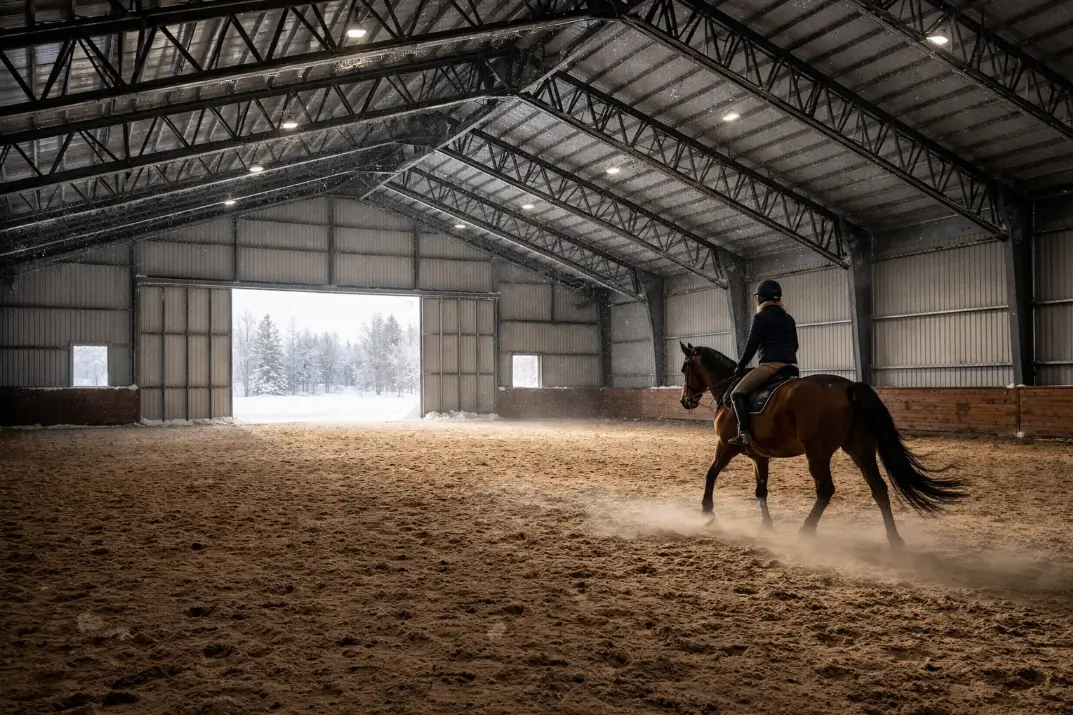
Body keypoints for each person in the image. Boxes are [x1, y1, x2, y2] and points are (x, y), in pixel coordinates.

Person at [727, 279, 798, 447]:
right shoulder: (789, 318)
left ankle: (744, 433)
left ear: (761, 298)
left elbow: (751, 345)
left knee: (737, 394)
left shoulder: (760, 317)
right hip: (792, 368)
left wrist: (740, 366)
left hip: (770, 366)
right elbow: (795, 345)